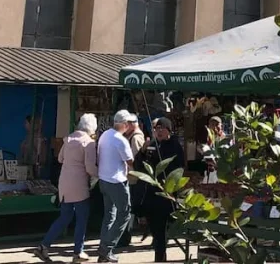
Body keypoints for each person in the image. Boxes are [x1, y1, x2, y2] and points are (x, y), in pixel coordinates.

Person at [36, 114, 99, 264]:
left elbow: (60, 159)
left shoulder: (69, 139)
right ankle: (78, 252)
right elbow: (90, 168)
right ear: (92, 128)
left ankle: (43, 246)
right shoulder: (88, 143)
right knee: (82, 218)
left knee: (65, 217)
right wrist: (101, 174)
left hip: (64, 183)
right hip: (79, 185)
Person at [138, 118, 185, 262]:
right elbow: (138, 166)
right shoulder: (151, 145)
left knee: (161, 229)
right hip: (151, 194)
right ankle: (159, 254)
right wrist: (143, 151)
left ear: (169, 131)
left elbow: (177, 167)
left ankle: (160, 257)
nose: (159, 131)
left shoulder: (174, 146)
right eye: (156, 128)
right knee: (155, 229)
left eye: (162, 128)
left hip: (166, 194)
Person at [97, 110, 137, 263]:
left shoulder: (105, 135)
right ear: (125, 124)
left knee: (109, 214)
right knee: (124, 214)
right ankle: (106, 248)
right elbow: (130, 161)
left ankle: (104, 248)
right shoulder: (121, 140)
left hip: (104, 179)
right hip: (117, 181)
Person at [20, 115, 49, 180]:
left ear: (32, 124)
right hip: (26, 169)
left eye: (26, 123)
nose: (25, 125)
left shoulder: (38, 138)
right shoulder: (29, 137)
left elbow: (42, 157)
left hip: (34, 170)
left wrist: (37, 167)